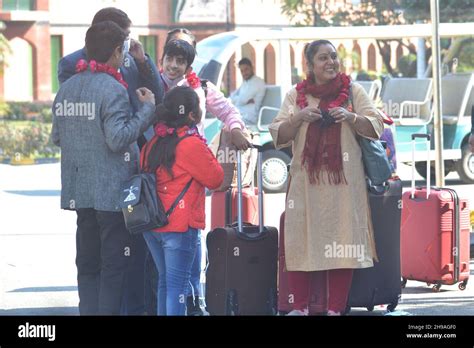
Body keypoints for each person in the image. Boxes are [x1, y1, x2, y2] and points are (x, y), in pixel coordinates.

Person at [57, 7, 163, 316]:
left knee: (87, 264)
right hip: (111, 192)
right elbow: (117, 139)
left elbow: (58, 136)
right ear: (116, 50)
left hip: (80, 190)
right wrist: (145, 111)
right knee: (114, 266)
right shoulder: (113, 89)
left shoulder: (66, 89)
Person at [269, 39, 384, 315]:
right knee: (300, 239)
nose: (331, 62)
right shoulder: (295, 96)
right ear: (309, 65)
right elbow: (278, 135)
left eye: (333, 56)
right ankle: (300, 307)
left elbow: (377, 125)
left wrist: (351, 117)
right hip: (305, 185)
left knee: (343, 240)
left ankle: (335, 309)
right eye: (323, 58)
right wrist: (298, 119)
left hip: (344, 183)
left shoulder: (353, 91)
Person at [141, 86, 224, 316]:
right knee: (177, 287)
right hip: (178, 226)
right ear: (191, 115)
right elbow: (216, 178)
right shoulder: (190, 144)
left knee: (165, 283)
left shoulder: (152, 143)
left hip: (152, 225)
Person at [230, 58, 266, 125]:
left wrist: (238, 100)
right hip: (240, 114)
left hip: (249, 118)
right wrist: (241, 100)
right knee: (223, 120)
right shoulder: (245, 82)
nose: (244, 73)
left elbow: (242, 100)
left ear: (252, 67)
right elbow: (232, 96)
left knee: (227, 123)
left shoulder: (257, 82)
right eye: (242, 71)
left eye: (246, 69)